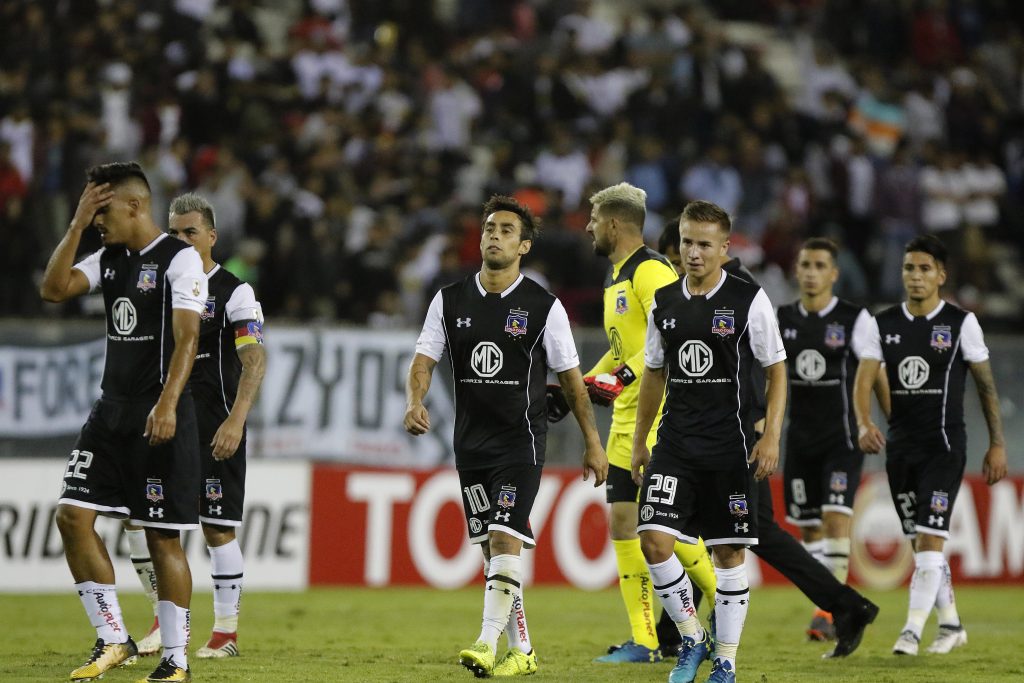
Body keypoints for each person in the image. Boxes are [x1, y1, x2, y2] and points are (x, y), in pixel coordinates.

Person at [404, 195, 608, 678]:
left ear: (524, 246)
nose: (494, 235)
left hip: (521, 443)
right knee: (490, 551)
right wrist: (415, 401)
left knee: (503, 537)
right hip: (470, 445)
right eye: (488, 228)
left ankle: (485, 642)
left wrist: (593, 443)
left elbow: (573, 381)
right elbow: (423, 361)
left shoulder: (543, 307)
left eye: (506, 230)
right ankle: (525, 650)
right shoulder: (449, 300)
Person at [658, 225, 881, 659]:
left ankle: (675, 636)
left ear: (717, 248)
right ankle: (847, 605)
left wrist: (763, 425)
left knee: (694, 530)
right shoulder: (689, 293)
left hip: (736, 435)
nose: (682, 260)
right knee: (755, 533)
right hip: (719, 434)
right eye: (681, 250)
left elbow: (759, 363)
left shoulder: (738, 292)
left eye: (688, 249)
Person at [40, 162, 207, 683]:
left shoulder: (180, 261)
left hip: (159, 414)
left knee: (162, 538)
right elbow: (55, 288)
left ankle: (175, 659)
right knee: (72, 515)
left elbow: (187, 340)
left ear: (135, 205)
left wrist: (167, 403)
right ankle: (112, 637)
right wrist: (74, 225)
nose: (97, 222)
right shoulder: (109, 258)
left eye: (103, 210)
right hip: (109, 413)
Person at [633, 200, 788, 683]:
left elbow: (776, 369)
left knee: (728, 555)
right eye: (686, 242)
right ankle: (691, 636)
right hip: (675, 445)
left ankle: (725, 659)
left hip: (730, 447)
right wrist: (641, 442)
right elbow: (654, 375)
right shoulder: (666, 302)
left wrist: (771, 436)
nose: (693, 253)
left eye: (704, 244)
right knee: (654, 541)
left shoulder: (748, 300)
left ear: (725, 248)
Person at [854, 234, 1007, 656]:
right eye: (909, 268)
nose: (915, 276)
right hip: (900, 451)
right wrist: (865, 421)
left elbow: (986, 387)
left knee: (930, 537)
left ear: (941, 275)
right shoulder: (883, 324)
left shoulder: (961, 323)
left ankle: (911, 630)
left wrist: (997, 444)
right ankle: (952, 624)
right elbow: (864, 377)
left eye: (924, 269)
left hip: (944, 448)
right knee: (923, 545)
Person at [128, 193, 266, 658]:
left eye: (190, 232)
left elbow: (254, 360)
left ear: (211, 236)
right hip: (165, 422)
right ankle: (159, 621)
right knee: (141, 521)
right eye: (174, 233)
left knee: (216, 529)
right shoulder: (161, 290)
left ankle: (225, 635)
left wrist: (237, 419)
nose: (181, 240)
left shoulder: (234, 291)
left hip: (214, 426)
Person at [583, 183, 716, 664]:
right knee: (623, 524)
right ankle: (646, 640)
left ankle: (723, 598)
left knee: (663, 529)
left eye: (594, 219)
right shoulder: (615, 277)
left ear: (615, 224)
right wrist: (584, 383)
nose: (588, 227)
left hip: (658, 417)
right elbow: (624, 349)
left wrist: (619, 376)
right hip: (624, 419)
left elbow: (669, 334)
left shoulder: (652, 270)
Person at [776, 237, 890, 640]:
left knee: (835, 518)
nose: (811, 272)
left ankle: (827, 612)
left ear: (834, 273)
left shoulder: (854, 319)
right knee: (809, 530)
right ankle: (826, 601)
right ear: (797, 269)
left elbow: (874, 372)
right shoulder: (781, 318)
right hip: (799, 439)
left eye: (820, 265)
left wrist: (884, 419)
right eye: (805, 265)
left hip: (843, 438)